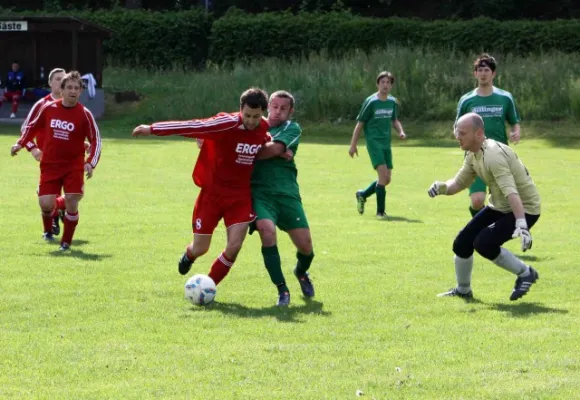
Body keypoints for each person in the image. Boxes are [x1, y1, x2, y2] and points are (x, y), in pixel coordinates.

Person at [131, 88, 274, 287]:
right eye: (247, 115)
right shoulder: (227, 123)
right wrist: (152, 129)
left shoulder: (264, 128)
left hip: (240, 197)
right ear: (240, 110)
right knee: (201, 247)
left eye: (256, 117)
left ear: (263, 113)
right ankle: (190, 255)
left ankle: (208, 285)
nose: (251, 121)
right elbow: (193, 126)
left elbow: (265, 143)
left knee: (234, 246)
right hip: (212, 195)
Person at [428, 113, 540, 301]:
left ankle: (526, 273)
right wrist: (442, 187)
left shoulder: (493, 155)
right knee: (462, 243)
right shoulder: (473, 153)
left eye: (462, 133)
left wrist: (522, 224)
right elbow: (459, 183)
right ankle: (463, 290)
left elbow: (511, 192)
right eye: (457, 132)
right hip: (500, 205)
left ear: (479, 134)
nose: (457, 136)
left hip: (525, 208)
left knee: (484, 242)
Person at [11, 71, 102, 252]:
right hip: (50, 164)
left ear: (80, 92)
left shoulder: (85, 114)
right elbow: (31, 127)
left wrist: (90, 162)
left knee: (72, 199)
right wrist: (21, 144)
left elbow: (96, 140)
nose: (73, 91)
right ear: (62, 90)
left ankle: (65, 243)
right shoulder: (49, 108)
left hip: (73, 166)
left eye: (76, 88)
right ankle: (50, 225)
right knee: (45, 204)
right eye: (69, 87)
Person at [249, 90, 315, 306]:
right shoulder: (254, 124)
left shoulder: (291, 128)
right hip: (260, 194)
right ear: (268, 106)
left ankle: (301, 271)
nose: (277, 112)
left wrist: (259, 149)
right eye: (274, 107)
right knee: (267, 233)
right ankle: (282, 290)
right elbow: (230, 135)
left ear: (290, 111)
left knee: (306, 247)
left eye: (283, 108)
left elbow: (273, 149)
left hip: (287, 195)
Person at [455, 54, 521, 217]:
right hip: (475, 156)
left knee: (501, 203)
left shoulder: (505, 97)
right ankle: (478, 229)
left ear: (493, 74)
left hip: (499, 156)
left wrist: (516, 131)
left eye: (486, 70)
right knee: (477, 201)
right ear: (475, 73)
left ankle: (486, 234)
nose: (483, 73)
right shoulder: (466, 100)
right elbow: (457, 126)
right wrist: (459, 136)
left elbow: (514, 121)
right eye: (479, 70)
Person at [349, 71, 407, 220]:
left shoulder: (392, 102)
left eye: (388, 82)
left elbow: (394, 120)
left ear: (391, 85)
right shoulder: (371, 102)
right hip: (374, 143)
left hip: (386, 143)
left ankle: (362, 194)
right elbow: (360, 123)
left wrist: (400, 131)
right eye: (382, 82)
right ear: (377, 84)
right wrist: (353, 145)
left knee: (387, 179)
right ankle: (380, 212)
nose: (385, 85)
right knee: (382, 175)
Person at [19, 68, 68, 237]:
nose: (61, 82)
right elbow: (25, 129)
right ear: (50, 83)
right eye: (57, 79)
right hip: (48, 158)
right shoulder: (42, 105)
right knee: (47, 196)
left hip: (70, 158)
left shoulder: (72, 105)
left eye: (64, 79)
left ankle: (56, 212)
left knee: (71, 195)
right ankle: (49, 228)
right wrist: (33, 149)